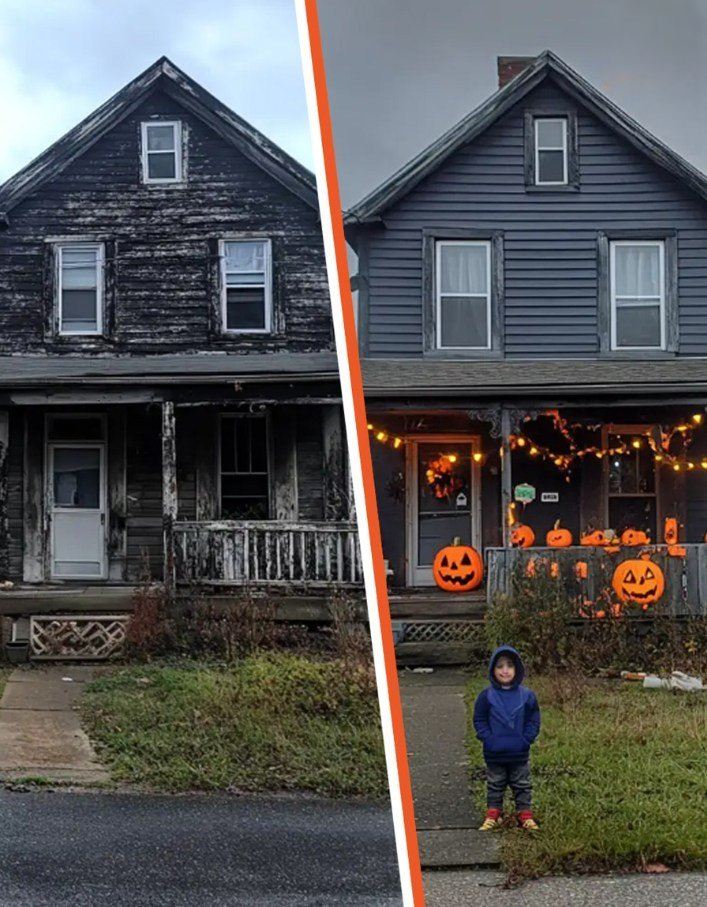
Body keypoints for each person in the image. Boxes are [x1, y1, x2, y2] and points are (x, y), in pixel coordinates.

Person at [473, 644, 540, 831]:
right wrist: (488, 738)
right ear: (492, 669)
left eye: (509, 665)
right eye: (500, 666)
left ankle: (524, 815)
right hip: (495, 753)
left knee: (522, 785)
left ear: (516, 669)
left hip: (519, 752)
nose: (505, 670)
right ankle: (494, 814)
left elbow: (534, 720)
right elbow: (479, 719)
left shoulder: (526, 696)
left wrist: (526, 739)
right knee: (495, 784)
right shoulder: (486, 696)